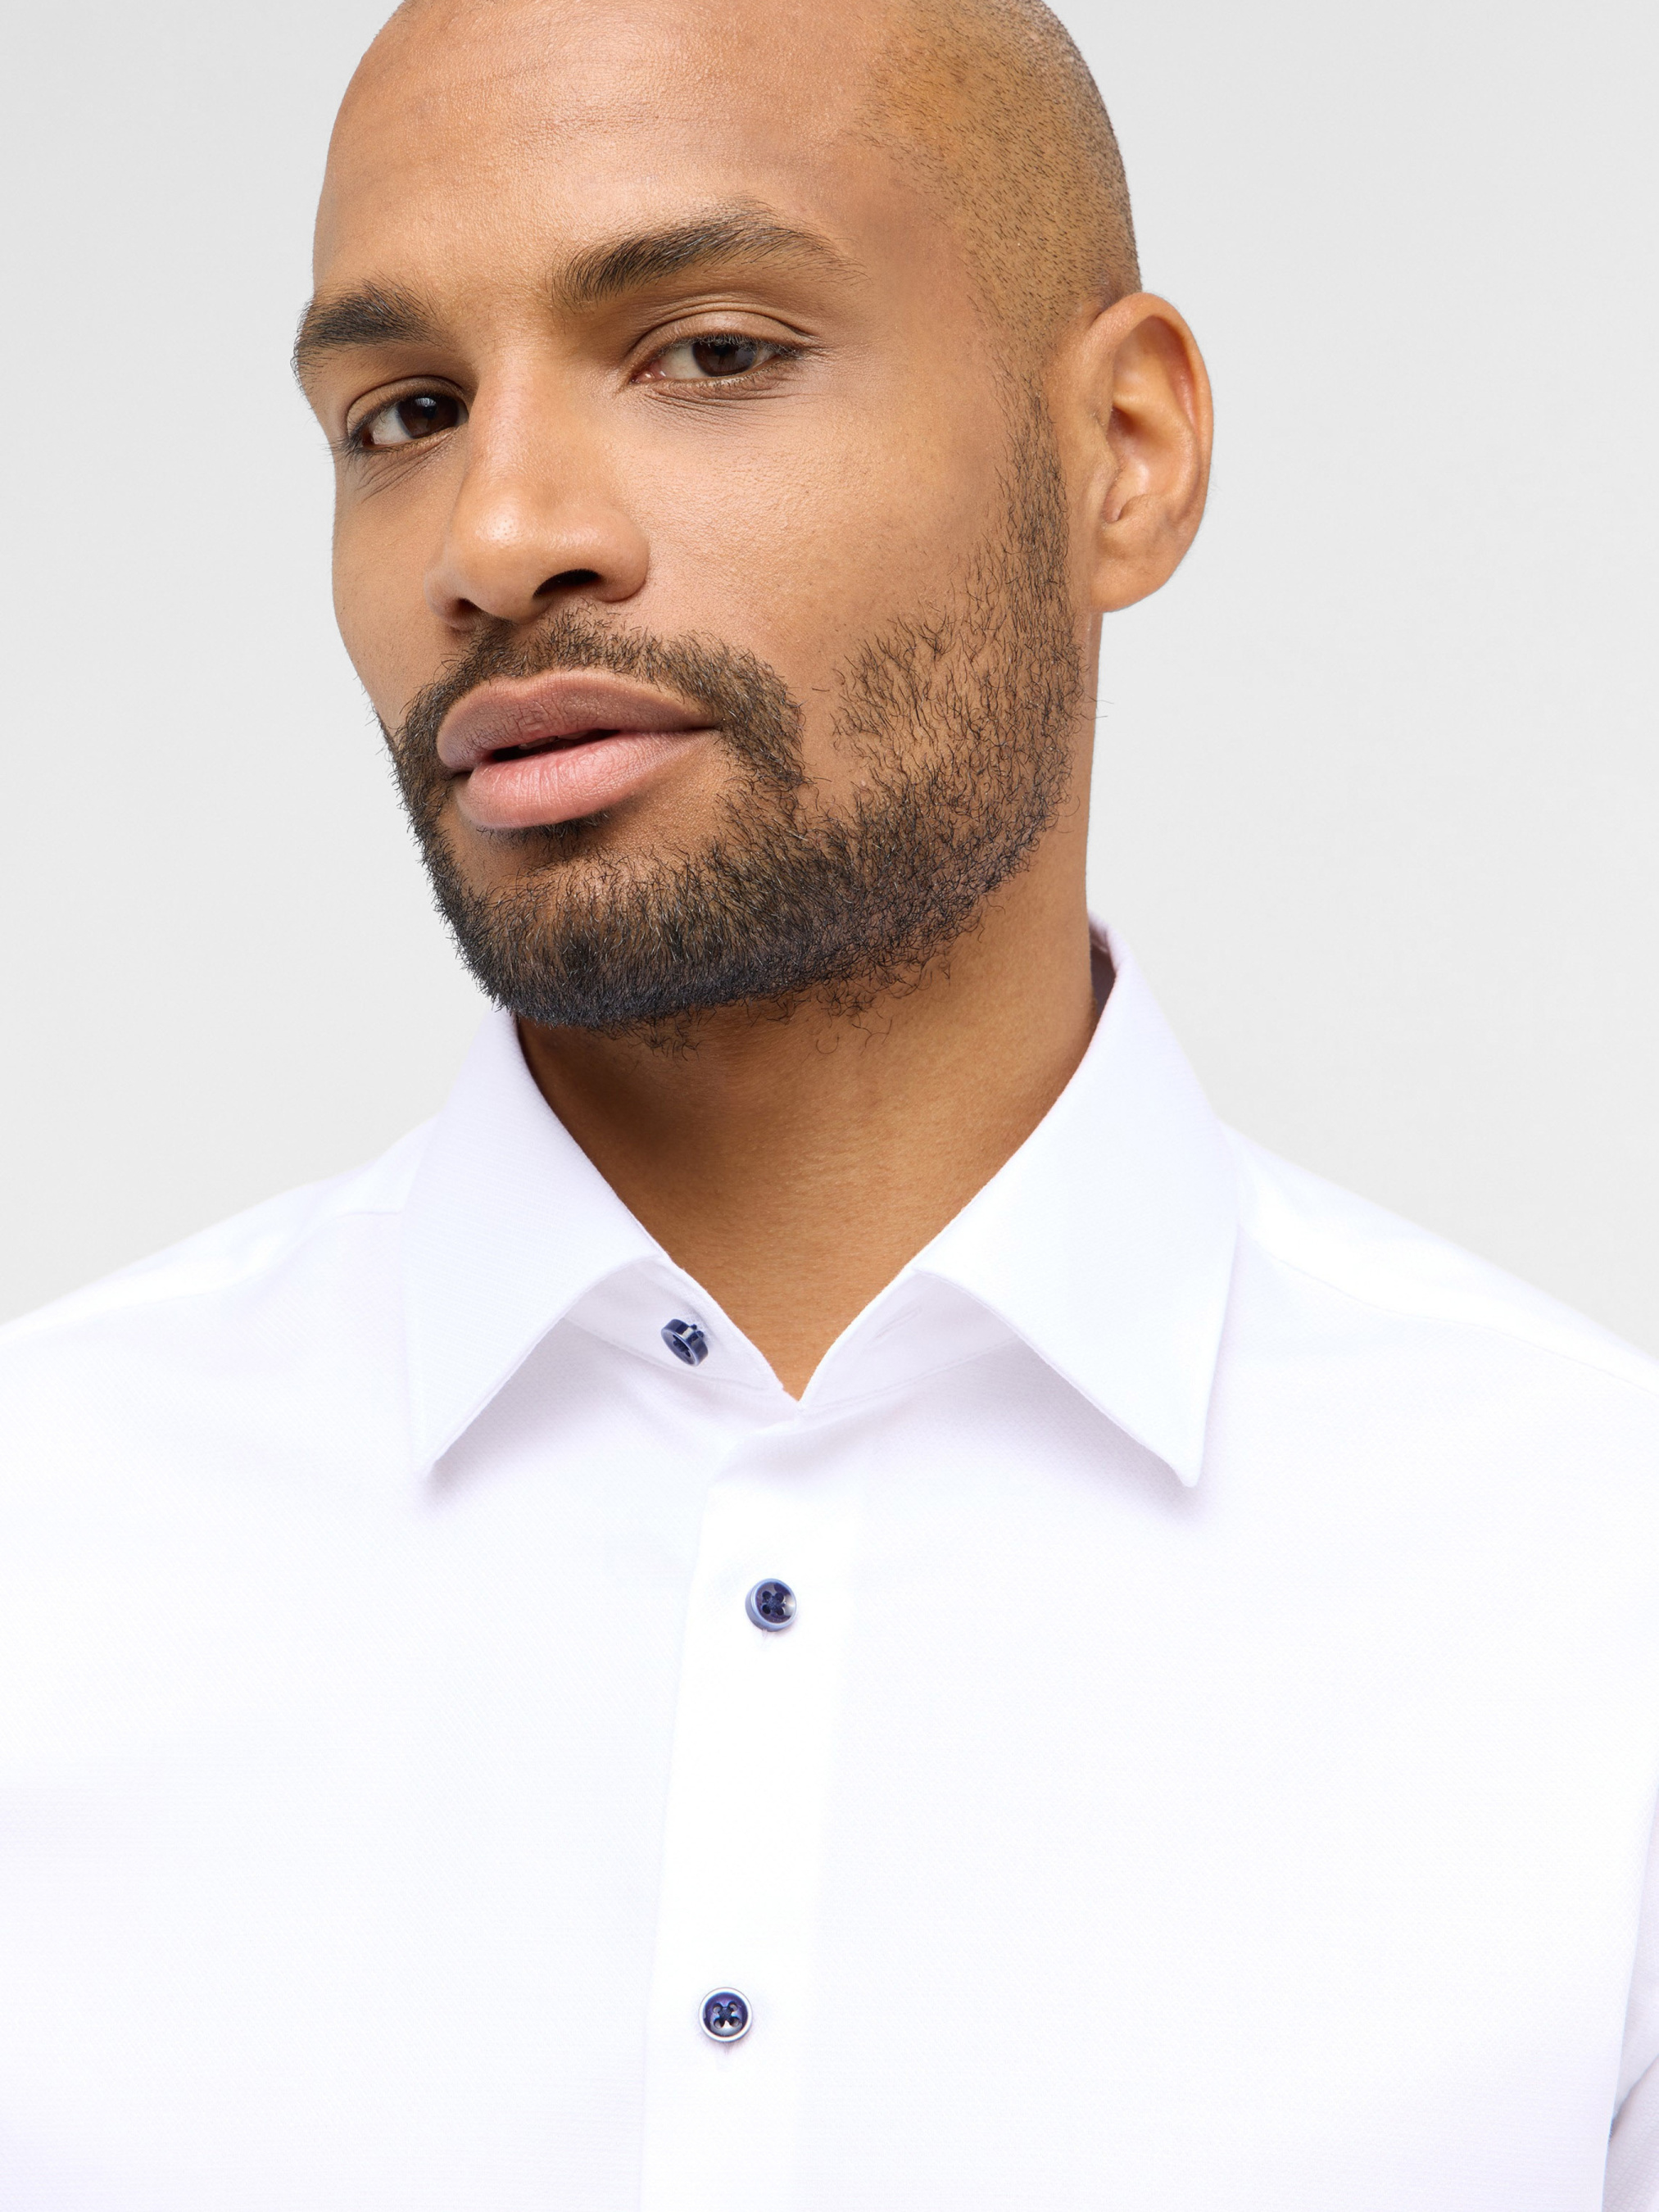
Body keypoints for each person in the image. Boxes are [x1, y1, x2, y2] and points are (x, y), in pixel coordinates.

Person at [2, 0, 1656, 2202]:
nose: (497, 533)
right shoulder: (46, 1554)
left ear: (1124, 451)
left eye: (709, 352)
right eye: (404, 412)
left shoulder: (1595, 1600)